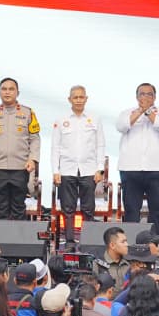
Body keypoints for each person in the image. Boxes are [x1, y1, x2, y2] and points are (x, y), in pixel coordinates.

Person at [116, 83, 159, 238]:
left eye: (149, 94)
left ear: (155, 97)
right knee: (131, 209)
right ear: (137, 97)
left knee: (157, 209)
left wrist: (147, 111)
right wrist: (140, 111)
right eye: (142, 94)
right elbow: (122, 127)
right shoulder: (126, 113)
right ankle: (130, 241)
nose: (146, 97)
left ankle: (156, 241)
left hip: (157, 169)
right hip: (131, 169)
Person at [0, 77, 41, 220]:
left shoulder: (28, 113)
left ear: (17, 93)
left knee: (18, 207)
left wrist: (32, 159)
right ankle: (0, 235)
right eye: (4, 89)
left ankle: (18, 235)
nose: (7, 92)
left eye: (11, 89)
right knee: (1, 207)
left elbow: (35, 138)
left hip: (20, 167)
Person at [51, 85, 106, 245]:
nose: (78, 100)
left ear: (86, 99)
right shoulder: (61, 120)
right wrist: (55, 170)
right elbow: (55, 147)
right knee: (68, 208)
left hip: (89, 170)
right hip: (67, 170)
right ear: (69, 99)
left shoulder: (95, 119)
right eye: (75, 97)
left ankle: (88, 241)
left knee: (88, 208)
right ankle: (69, 242)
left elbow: (100, 145)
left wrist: (100, 169)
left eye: (81, 97)